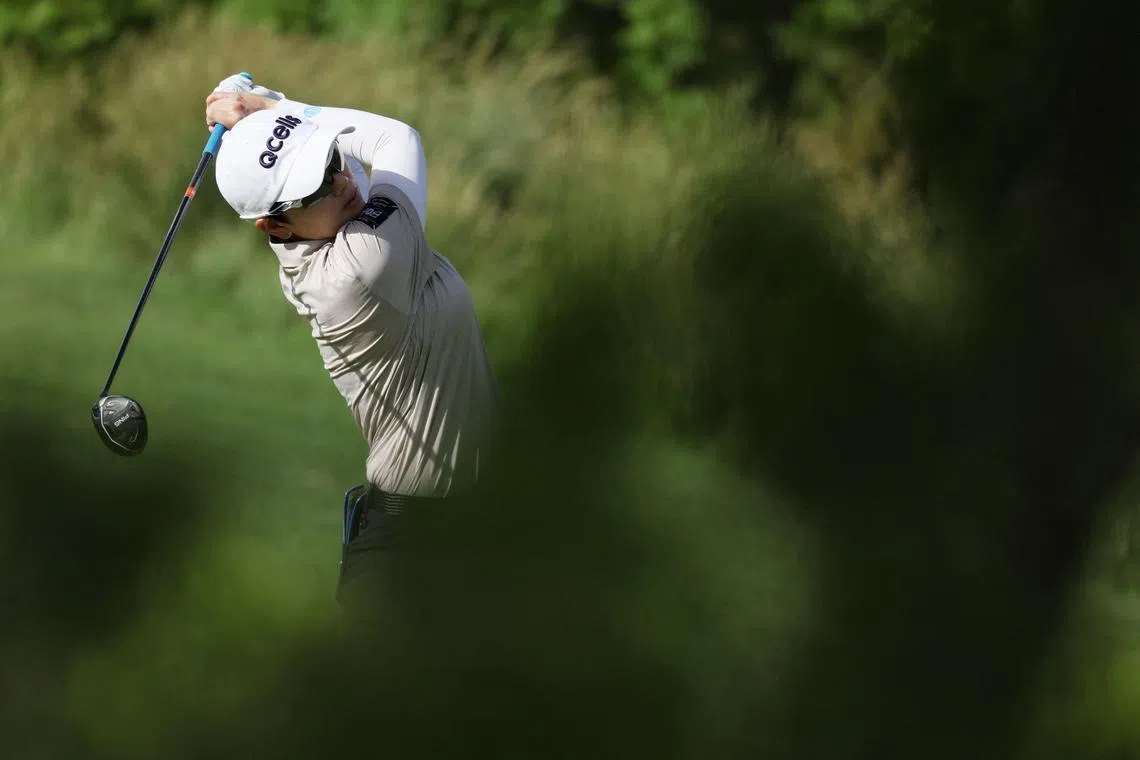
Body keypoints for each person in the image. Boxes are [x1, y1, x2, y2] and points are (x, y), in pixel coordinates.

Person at [204, 75, 498, 620]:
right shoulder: (362, 264)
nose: (342, 181)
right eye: (317, 186)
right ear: (274, 224)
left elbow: (350, 160)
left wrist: (270, 122)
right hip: (416, 548)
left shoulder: (328, 219)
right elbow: (395, 140)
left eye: (332, 161)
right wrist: (274, 106)